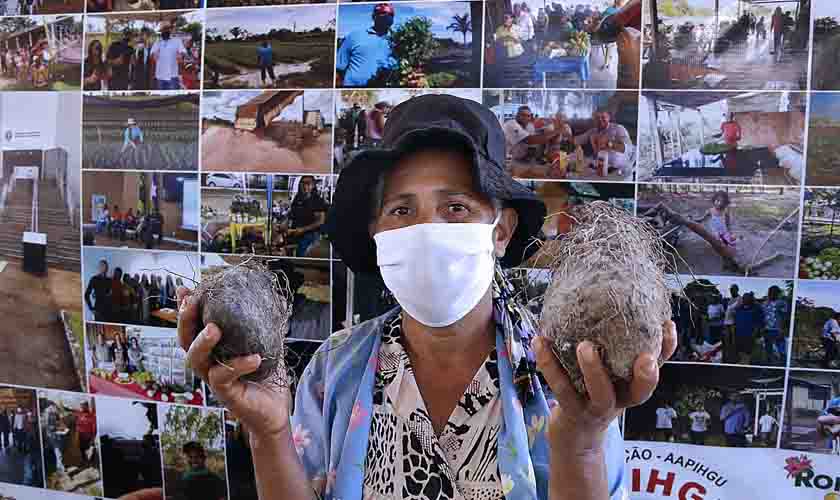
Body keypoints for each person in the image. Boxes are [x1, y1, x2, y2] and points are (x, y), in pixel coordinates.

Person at [177, 94, 675, 500]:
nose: (426, 230)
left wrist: (582, 446)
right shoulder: (335, 369)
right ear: (376, 232)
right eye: (400, 211)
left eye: (455, 207)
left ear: (500, 231)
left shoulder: (565, 377)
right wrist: (269, 434)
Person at [335, 3, 398, 87]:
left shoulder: (396, 41)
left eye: (390, 14)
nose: (387, 16)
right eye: (382, 13)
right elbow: (339, 67)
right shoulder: (354, 36)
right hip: (351, 88)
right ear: (374, 16)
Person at [287, 176, 327, 257]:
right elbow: (291, 214)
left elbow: (320, 221)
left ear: (313, 185)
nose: (305, 186)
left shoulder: (317, 201)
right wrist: (284, 224)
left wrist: (302, 229)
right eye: (303, 183)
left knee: (302, 258)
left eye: (308, 184)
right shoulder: (297, 198)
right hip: (297, 234)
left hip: (311, 236)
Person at [150, 22, 186, 90]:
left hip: (172, 76)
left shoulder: (177, 41)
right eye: (163, 30)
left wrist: (181, 55)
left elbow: (183, 52)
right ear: (161, 32)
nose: (165, 31)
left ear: (170, 30)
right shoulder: (157, 42)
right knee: (161, 98)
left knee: (174, 97)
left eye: (167, 29)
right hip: (160, 76)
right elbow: (151, 55)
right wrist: (154, 55)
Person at [734, 292, 763, 363]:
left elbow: (758, 322)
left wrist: (756, 332)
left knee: (748, 349)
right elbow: (736, 319)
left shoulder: (756, 309)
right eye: (744, 298)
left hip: (750, 333)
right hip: (739, 332)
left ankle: (746, 362)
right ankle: (742, 361)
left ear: (750, 299)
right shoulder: (739, 308)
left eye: (747, 298)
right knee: (740, 348)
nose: (745, 300)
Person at [762, 285, 788, 364]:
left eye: (774, 293)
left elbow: (784, 317)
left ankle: (783, 369)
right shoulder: (765, 303)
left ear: (777, 293)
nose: (771, 294)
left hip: (777, 330)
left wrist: (782, 329)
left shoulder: (782, 303)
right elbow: (763, 316)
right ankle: (770, 368)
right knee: (768, 351)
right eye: (770, 292)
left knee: (781, 351)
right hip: (767, 331)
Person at [75, 401, 96, 467]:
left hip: (87, 436)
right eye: (81, 405)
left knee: (87, 449)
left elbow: (94, 428)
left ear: (86, 406)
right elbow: (70, 410)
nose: (81, 407)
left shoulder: (91, 415)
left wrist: (93, 438)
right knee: (81, 449)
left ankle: (88, 462)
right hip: (80, 435)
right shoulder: (80, 413)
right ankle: (85, 462)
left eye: (82, 405)